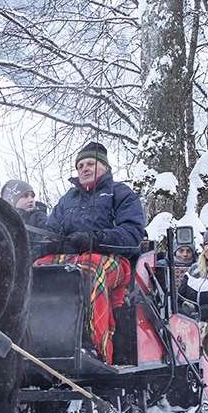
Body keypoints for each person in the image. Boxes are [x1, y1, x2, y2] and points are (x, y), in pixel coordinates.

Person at [33, 141, 149, 363]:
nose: (84, 169)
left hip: (114, 260)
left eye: (90, 163)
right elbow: (49, 232)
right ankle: (36, 341)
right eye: (80, 165)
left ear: (104, 167)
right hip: (72, 257)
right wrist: (49, 245)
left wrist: (95, 240)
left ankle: (94, 346)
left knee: (89, 270)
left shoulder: (120, 193)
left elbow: (132, 234)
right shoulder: (67, 200)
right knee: (36, 270)